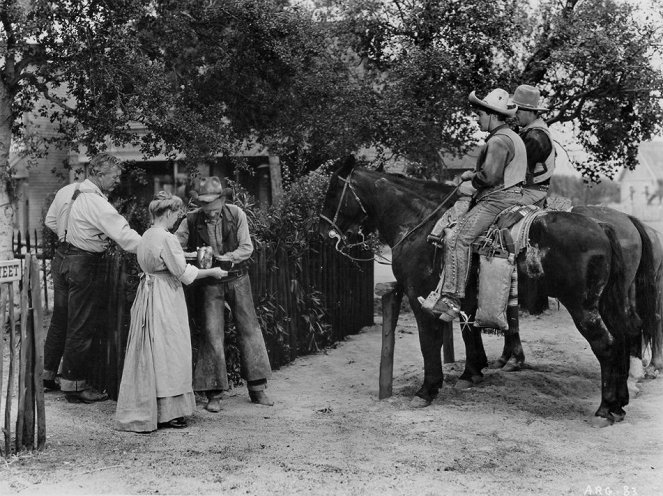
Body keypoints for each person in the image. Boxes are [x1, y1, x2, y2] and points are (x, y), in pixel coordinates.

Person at [115, 192, 229, 432]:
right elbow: (183, 274)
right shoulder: (167, 238)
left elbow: (162, 261)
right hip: (165, 296)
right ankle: (170, 413)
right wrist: (213, 271)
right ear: (167, 213)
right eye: (177, 214)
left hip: (148, 294)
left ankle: (153, 408)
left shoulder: (147, 234)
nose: (178, 219)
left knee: (153, 350)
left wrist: (184, 257)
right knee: (171, 350)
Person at [421, 88, 528, 322]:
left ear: (491, 114)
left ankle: (452, 299)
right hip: (513, 195)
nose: (477, 118)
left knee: (457, 237)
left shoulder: (499, 140)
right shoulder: (513, 137)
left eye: (479, 114)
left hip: (497, 199)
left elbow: (488, 178)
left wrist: (471, 177)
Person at [43, 152, 142, 403]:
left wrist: (71, 234)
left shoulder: (65, 191)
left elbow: (50, 221)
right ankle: (74, 386)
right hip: (83, 263)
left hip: (61, 258)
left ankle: (47, 375)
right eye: (114, 176)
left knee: (60, 319)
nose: (117, 180)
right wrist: (152, 247)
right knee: (81, 322)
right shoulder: (97, 203)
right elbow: (125, 236)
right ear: (98, 174)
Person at [175, 176, 273, 412]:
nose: (210, 212)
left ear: (222, 199)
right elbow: (174, 247)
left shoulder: (236, 214)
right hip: (210, 282)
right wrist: (195, 256)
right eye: (205, 206)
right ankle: (214, 393)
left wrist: (227, 258)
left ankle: (258, 388)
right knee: (212, 333)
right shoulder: (190, 220)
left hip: (238, 278)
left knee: (249, 329)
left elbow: (246, 247)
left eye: (214, 206)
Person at [511, 84, 556, 206]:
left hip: (530, 192)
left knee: (492, 208)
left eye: (518, 112)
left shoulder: (535, 137)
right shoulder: (530, 132)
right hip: (527, 190)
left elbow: (517, 171)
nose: (515, 115)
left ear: (530, 112)